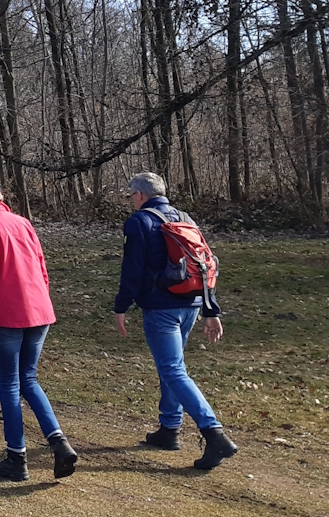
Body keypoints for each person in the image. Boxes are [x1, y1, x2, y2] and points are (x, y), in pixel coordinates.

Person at [114, 172, 237, 470]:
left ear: (141, 195)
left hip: (161, 307)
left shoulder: (139, 222)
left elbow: (132, 269)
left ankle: (214, 433)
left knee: (172, 370)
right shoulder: (185, 218)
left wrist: (121, 306)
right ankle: (169, 428)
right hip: (191, 304)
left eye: (131, 194)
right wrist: (210, 310)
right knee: (173, 367)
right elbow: (205, 264)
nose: (130, 199)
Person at [0, 174, 76, 481]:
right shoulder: (22, 222)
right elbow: (42, 268)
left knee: (11, 384)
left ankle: (16, 457)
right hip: (38, 311)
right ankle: (58, 442)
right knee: (29, 379)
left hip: (8, 314)